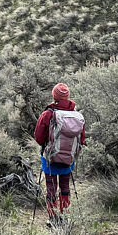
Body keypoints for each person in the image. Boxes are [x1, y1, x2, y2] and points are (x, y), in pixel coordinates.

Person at [33, 83, 85, 221]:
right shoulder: (77, 116)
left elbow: (39, 138)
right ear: (67, 97)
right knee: (65, 186)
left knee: (51, 187)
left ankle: (53, 217)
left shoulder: (48, 114)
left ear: (54, 96)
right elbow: (82, 139)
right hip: (69, 157)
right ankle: (65, 216)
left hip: (50, 157)